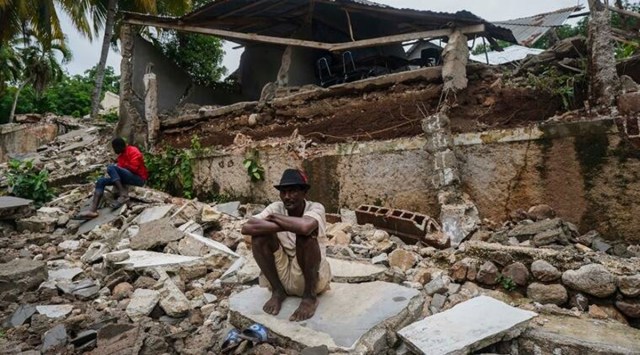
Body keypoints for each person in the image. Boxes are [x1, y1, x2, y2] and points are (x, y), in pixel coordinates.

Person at [241, 169, 331, 322]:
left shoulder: (316, 207)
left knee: (306, 237)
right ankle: (277, 292)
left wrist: (274, 219)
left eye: (293, 191)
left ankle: (310, 298)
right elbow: (247, 227)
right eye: (283, 192)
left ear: (304, 192)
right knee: (259, 238)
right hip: (281, 275)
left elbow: (304, 227)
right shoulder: (276, 207)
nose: (287, 197)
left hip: (309, 277)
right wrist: (288, 224)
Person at [76, 137, 148, 219]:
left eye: (114, 148)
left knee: (111, 167)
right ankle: (93, 210)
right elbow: (120, 172)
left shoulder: (133, 150)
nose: (114, 151)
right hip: (127, 178)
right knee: (101, 181)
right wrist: (118, 171)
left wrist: (118, 170)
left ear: (119, 147)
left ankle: (123, 194)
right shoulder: (120, 157)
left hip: (139, 179)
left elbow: (134, 168)